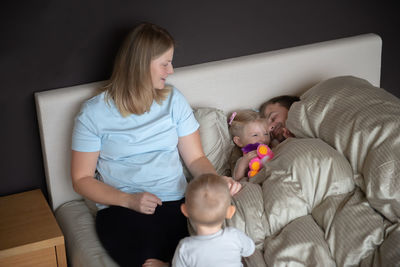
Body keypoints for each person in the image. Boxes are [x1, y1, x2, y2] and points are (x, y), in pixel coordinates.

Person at [71, 22, 241, 267]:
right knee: (151, 260)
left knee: (200, 255)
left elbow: (195, 159)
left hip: (176, 202)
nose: (171, 70)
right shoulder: (93, 113)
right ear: (141, 65)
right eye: (164, 63)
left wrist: (213, 182)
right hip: (122, 207)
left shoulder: (173, 99)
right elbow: (81, 179)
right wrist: (128, 200)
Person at [172, 173, 255, 267]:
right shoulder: (235, 236)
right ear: (230, 212)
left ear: (185, 210)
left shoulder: (184, 248)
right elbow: (250, 250)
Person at [227, 109, 271, 181]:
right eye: (255, 135)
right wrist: (243, 163)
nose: (263, 139)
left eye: (266, 134)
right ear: (239, 141)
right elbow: (237, 179)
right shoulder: (240, 158)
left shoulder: (270, 149)